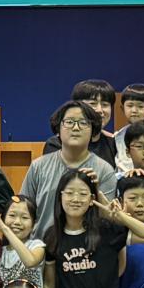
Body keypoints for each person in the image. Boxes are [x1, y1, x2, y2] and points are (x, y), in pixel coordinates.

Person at [18, 102, 119, 240]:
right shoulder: (38, 167)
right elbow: (23, 211)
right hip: (41, 247)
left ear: (93, 131)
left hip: (87, 250)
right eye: (69, 122)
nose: (76, 128)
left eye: (83, 123)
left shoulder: (104, 170)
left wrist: (95, 191)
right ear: (58, 129)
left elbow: (107, 219)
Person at [0, 194, 47, 288]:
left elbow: (30, 261)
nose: (17, 222)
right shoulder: (0, 251)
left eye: (24, 217)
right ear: (3, 218)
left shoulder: (36, 246)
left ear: (34, 224)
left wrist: (4, 229)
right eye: (12, 215)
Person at [113, 84, 144, 172]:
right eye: (130, 106)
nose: (134, 110)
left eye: (140, 106)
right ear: (122, 109)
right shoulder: (117, 137)